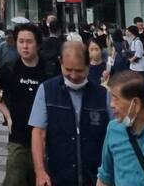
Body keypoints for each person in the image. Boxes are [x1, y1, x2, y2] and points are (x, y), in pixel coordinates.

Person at [30, 41, 109, 186]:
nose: (73, 75)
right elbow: (38, 133)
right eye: (68, 69)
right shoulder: (47, 90)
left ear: (88, 65)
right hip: (58, 176)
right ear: (60, 62)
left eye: (79, 70)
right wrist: (40, 171)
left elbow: (115, 135)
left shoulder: (103, 95)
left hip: (95, 177)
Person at [0, 23, 46, 186]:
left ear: (38, 44)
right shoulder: (10, 68)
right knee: (15, 178)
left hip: (45, 139)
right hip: (18, 137)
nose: (24, 46)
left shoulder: (49, 69)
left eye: (29, 42)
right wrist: (7, 116)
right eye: (21, 41)